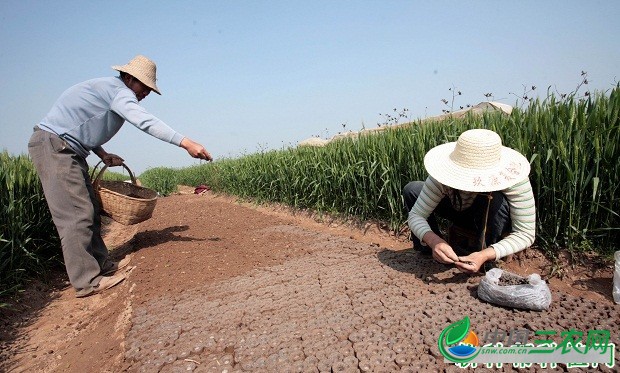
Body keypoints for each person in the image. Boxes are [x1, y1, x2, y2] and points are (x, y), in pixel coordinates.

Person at [28, 55, 213, 297]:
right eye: (144, 86)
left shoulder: (107, 89)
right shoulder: (119, 92)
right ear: (128, 78)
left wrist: (102, 154)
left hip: (67, 148)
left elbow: (79, 126)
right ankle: (88, 281)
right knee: (76, 215)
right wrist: (186, 142)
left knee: (91, 209)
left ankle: (103, 266)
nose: (146, 92)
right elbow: (144, 121)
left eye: (149, 88)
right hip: (55, 149)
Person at [402, 128, 535, 273]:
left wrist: (485, 255)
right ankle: (436, 252)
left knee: (498, 200)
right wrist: (434, 241)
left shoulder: (513, 178)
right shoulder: (442, 174)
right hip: (458, 209)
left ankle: (482, 257)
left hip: (491, 218)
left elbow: (525, 233)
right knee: (413, 189)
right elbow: (416, 215)